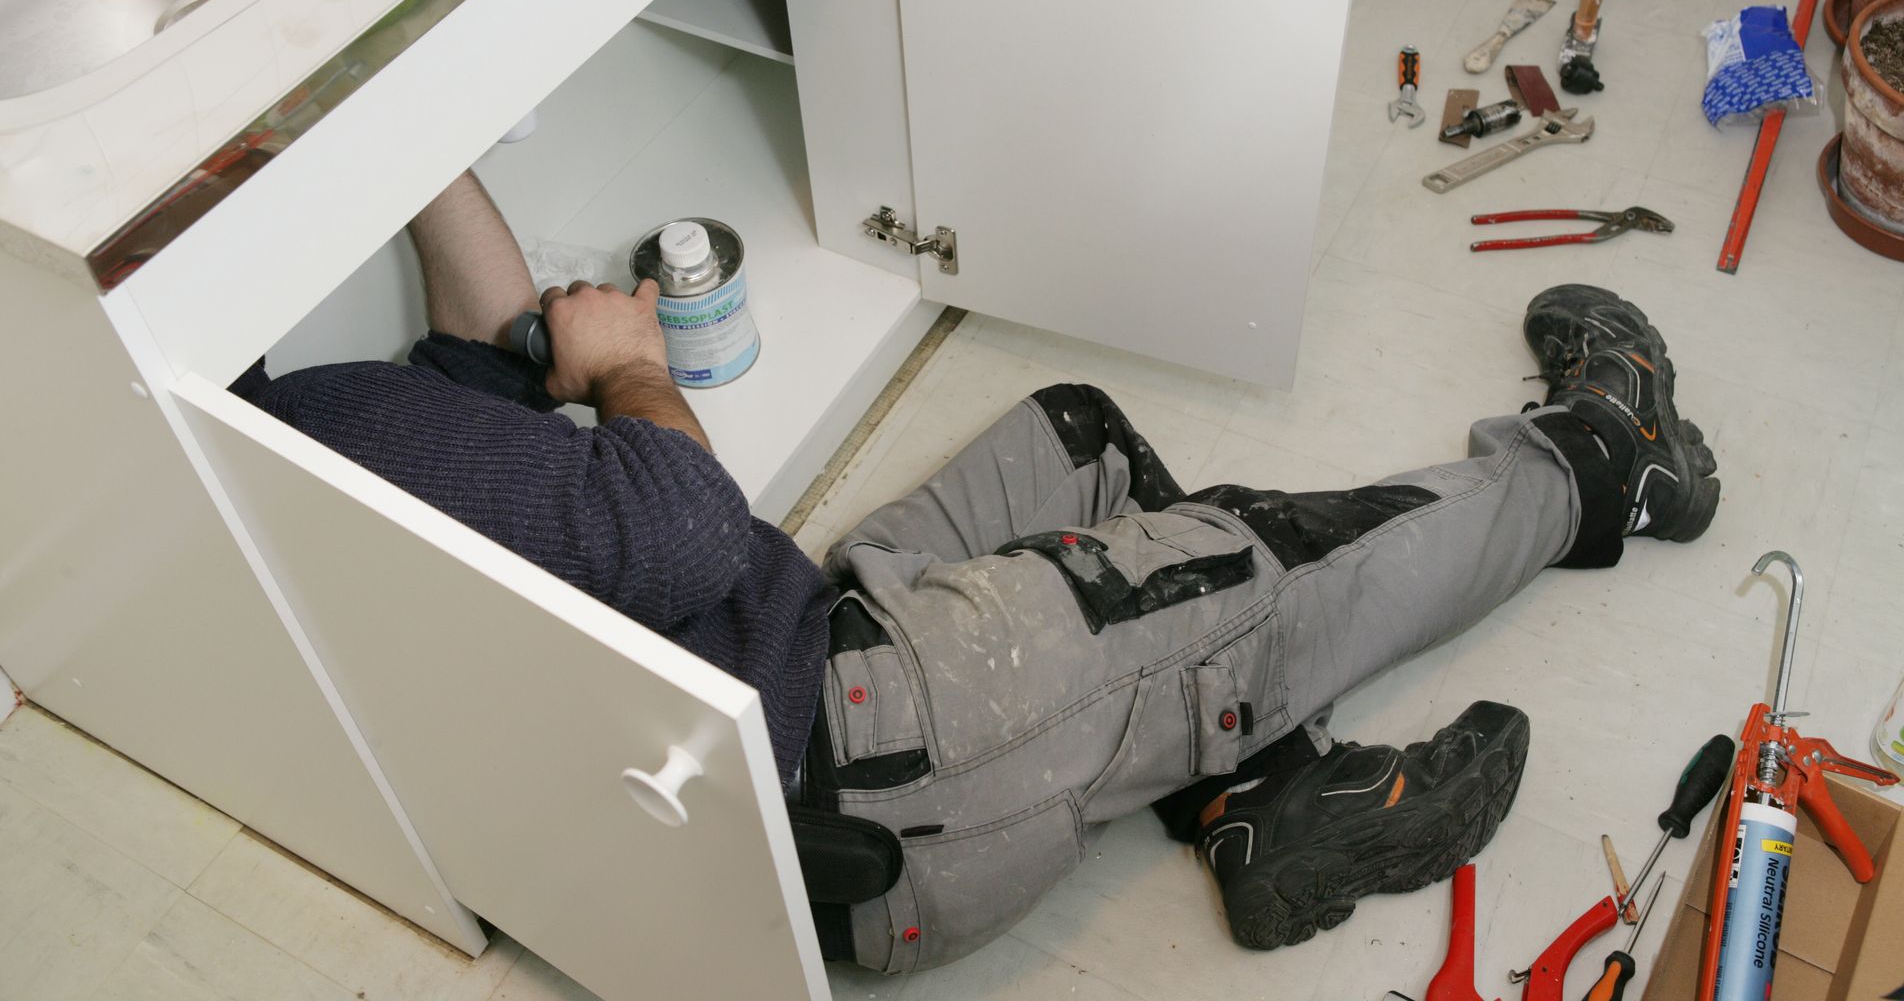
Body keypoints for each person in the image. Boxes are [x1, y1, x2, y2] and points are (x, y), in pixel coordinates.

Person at [237, 171, 1721, 974]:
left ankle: (1256, 799)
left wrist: (405, 129)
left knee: (1073, 446)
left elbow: (480, 363)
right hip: (899, 749)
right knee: (1278, 568)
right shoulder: (328, 424)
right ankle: (1604, 467)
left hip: (828, 691)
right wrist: (626, 362)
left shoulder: (270, 461)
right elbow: (681, 524)